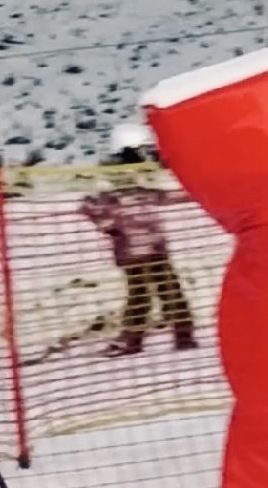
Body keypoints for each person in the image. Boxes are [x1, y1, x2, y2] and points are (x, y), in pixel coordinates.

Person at [79, 121, 198, 355]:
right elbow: (88, 206)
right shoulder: (111, 185)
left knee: (168, 292)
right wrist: (111, 227)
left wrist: (196, 191)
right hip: (132, 251)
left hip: (153, 247)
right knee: (144, 296)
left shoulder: (140, 183)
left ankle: (180, 336)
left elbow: (164, 196)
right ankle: (135, 340)